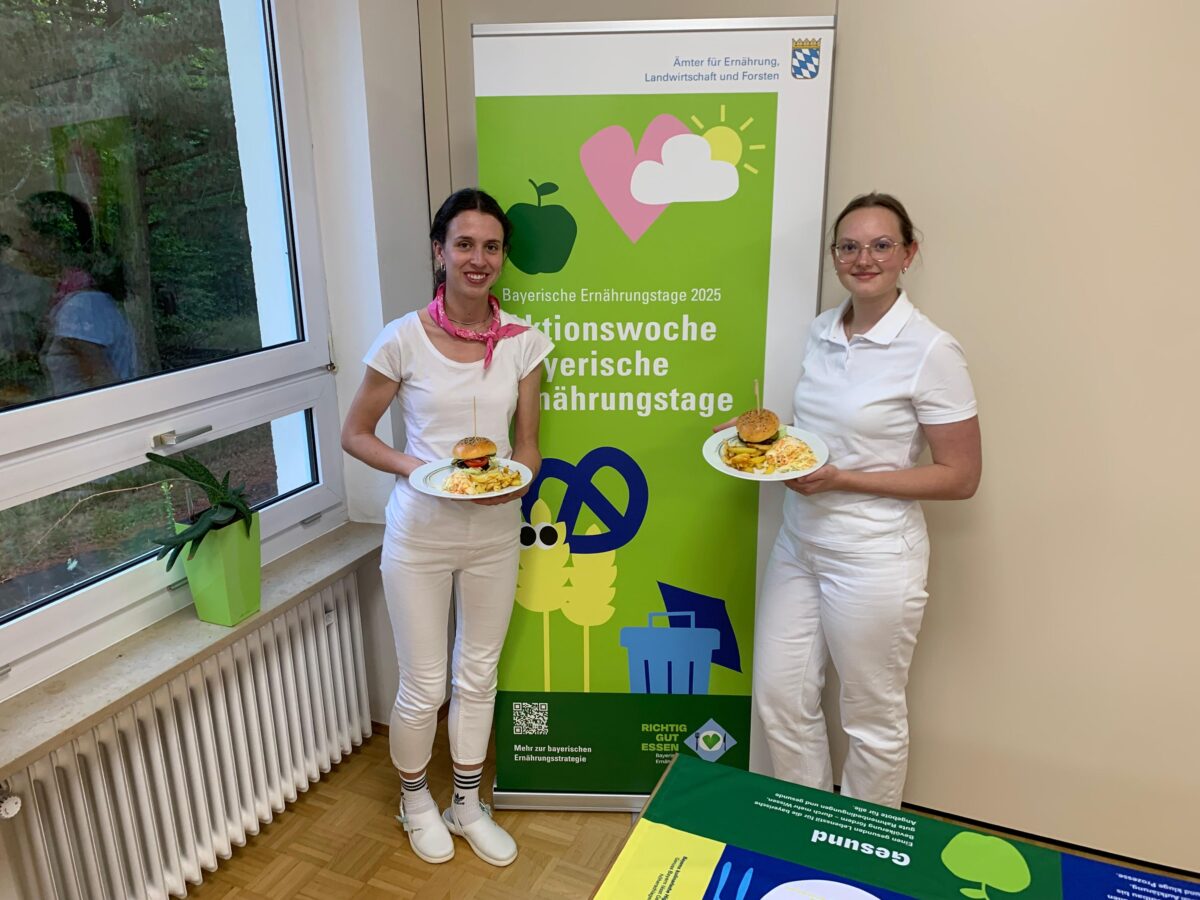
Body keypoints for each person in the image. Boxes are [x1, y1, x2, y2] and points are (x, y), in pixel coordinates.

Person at [340, 189, 551, 867]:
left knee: (479, 675)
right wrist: (420, 470)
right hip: (421, 534)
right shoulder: (402, 339)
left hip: (494, 532)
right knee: (425, 684)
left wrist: (516, 481)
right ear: (439, 252)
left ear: (503, 256)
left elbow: (528, 447)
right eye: (464, 244)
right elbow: (355, 434)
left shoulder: (524, 343)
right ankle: (414, 800)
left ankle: (465, 802)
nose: (477, 259)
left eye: (491, 246)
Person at [751, 192, 981, 808]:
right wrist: (762, 442)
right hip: (800, 543)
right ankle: (805, 825)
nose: (864, 258)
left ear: (909, 253)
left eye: (881, 245)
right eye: (849, 246)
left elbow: (960, 476)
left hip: (875, 555)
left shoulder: (931, 350)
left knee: (871, 717)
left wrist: (843, 480)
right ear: (834, 256)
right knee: (779, 697)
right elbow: (820, 436)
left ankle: (859, 839)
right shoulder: (822, 331)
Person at [17, 191, 136, 398]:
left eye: (26, 236)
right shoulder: (78, 296)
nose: (21, 247)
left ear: (52, 241)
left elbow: (106, 390)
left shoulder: (80, 308)